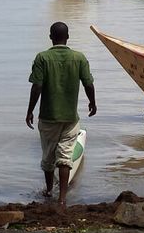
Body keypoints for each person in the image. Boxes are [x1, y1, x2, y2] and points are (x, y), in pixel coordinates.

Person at [26, 21, 96, 207]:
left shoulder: (42, 58)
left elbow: (37, 86)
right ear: (68, 37)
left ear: (50, 37)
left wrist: (30, 110)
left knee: (48, 157)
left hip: (48, 117)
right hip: (70, 119)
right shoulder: (79, 58)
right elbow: (88, 83)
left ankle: (49, 191)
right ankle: (63, 198)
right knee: (65, 158)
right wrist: (93, 102)